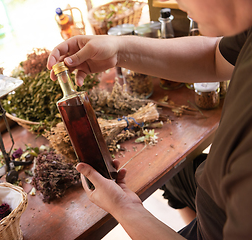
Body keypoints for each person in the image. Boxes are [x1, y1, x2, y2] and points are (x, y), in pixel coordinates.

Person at [47, 0, 252, 239]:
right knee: (175, 179)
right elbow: (215, 58)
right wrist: (119, 50)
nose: (179, 3)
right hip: (214, 198)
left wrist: (125, 209)